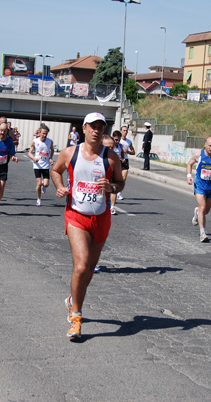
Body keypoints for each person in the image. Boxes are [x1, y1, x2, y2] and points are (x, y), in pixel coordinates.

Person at [51, 112, 125, 340]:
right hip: (76, 216)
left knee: (89, 269)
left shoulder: (111, 157)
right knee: (81, 266)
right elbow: (55, 170)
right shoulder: (70, 153)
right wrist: (60, 186)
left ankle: (73, 299)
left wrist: (110, 188)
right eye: (92, 126)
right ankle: (76, 317)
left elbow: (120, 183)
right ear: (83, 128)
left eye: (100, 127)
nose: (97, 130)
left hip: (101, 218)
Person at [186, 137, 211, 243]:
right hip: (200, 185)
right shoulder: (198, 155)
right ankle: (203, 233)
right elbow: (189, 164)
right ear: (205, 145)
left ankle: (197, 211)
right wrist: (189, 176)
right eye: (210, 145)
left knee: (205, 211)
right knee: (203, 207)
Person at [28, 125, 55, 206]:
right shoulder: (35, 141)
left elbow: (52, 150)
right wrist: (34, 158)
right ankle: (38, 199)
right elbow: (29, 152)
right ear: (39, 133)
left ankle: (44, 185)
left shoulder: (50, 141)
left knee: (46, 184)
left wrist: (50, 158)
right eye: (43, 133)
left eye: (46, 133)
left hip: (46, 165)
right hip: (37, 166)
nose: (44, 135)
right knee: (39, 183)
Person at [108, 131, 125, 215]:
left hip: (116, 168)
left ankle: (112, 207)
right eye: (116, 139)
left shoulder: (120, 146)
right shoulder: (108, 145)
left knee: (114, 189)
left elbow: (122, 153)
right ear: (112, 138)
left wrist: (122, 158)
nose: (117, 141)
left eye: (118, 140)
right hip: (107, 169)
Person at [117, 124, 134, 200]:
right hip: (117, 159)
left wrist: (128, 152)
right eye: (124, 130)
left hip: (125, 160)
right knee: (116, 177)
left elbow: (133, 152)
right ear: (121, 131)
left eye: (126, 131)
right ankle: (113, 191)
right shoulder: (117, 140)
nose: (125, 132)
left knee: (124, 177)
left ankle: (119, 192)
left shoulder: (128, 141)